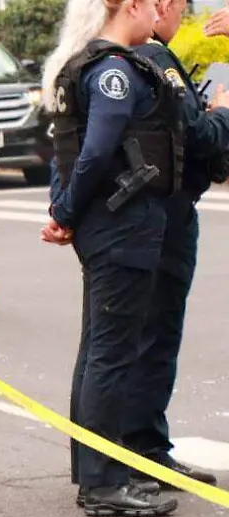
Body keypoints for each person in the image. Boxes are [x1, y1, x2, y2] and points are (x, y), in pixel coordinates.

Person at [39, 0, 189, 516]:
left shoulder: (95, 64)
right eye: (153, 4)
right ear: (130, 6)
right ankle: (103, 484)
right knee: (111, 353)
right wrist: (66, 210)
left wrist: (67, 211)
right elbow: (96, 150)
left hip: (111, 226)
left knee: (100, 348)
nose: (160, 12)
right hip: (121, 226)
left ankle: (97, 469)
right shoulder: (113, 72)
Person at [117, 0, 229, 491]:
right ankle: (139, 453)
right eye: (181, 10)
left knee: (133, 337)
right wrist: (222, 114)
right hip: (163, 210)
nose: (184, 19)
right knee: (151, 336)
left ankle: (126, 453)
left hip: (149, 211)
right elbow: (198, 134)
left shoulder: (116, 55)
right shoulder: (151, 57)